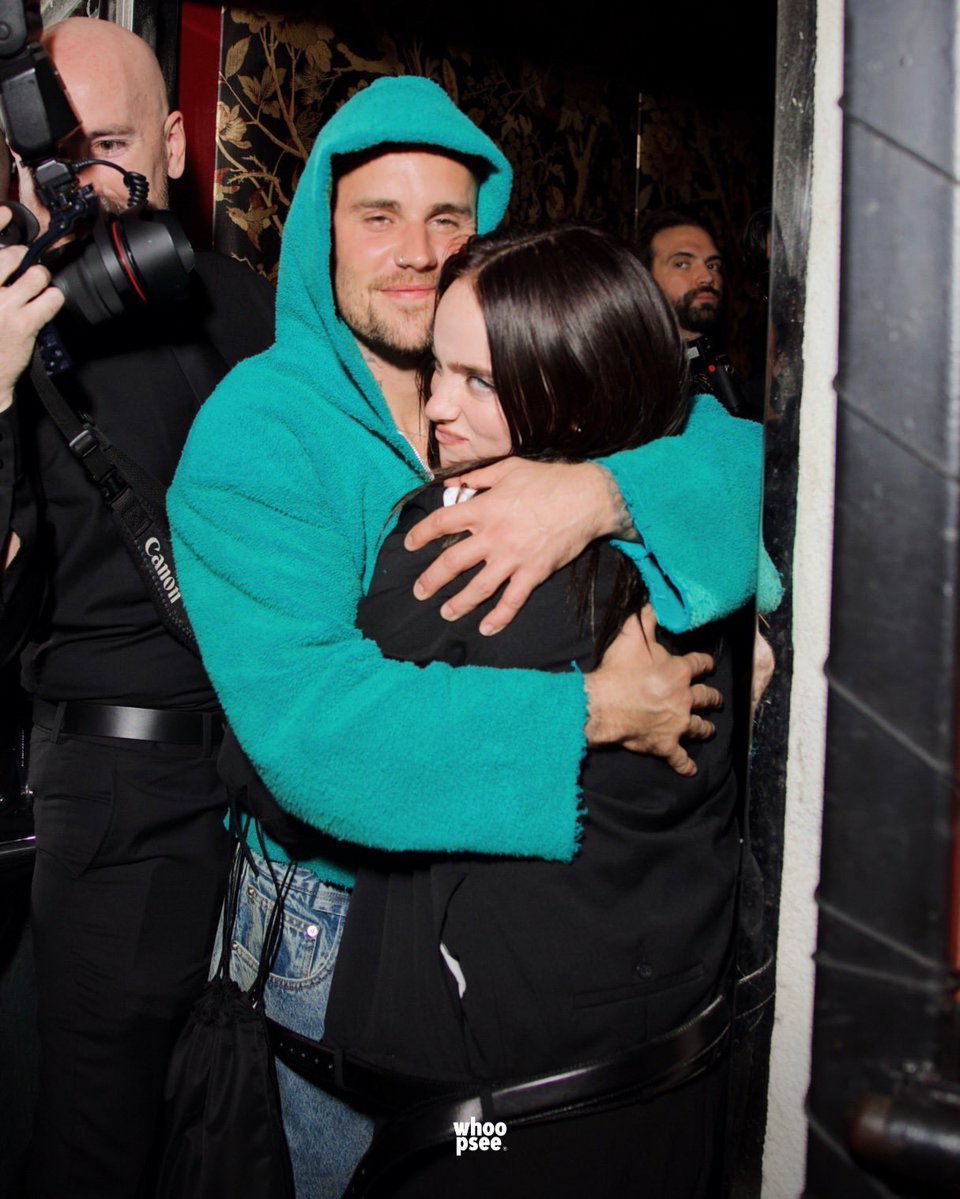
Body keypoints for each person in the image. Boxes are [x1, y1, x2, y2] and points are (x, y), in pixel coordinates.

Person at [168, 76, 779, 1195]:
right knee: (398, 1158)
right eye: (379, 216)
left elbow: (752, 458)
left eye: (446, 218)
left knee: (523, 1149)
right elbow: (314, 730)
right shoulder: (258, 431)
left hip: (540, 954)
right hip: (335, 930)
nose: (417, 251)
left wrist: (601, 493)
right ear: (320, 236)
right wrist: (591, 709)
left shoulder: (533, 369)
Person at [318, 222, 741, 1197]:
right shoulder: (709, 536)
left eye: (480, 381)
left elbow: (286, 762)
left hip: (498, 1113)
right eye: (439, 368)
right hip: (672, 1073)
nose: (437, 405)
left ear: (576, 390)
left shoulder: (460, 548)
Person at [0, 17, 274, 1197]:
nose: (79, 185)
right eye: (52, 159)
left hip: (279, 785)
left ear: (173, 143)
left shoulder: (255, 309)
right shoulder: (12, 327)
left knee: (255, 1118)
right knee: (98, 1141)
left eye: (107, 147)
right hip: (119, 800)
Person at [639, 209, 759, 420]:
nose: (707, 277)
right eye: (681, 264)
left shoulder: (735, 375)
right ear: (644, 278)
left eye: (712, 265)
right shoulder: (626, 382)